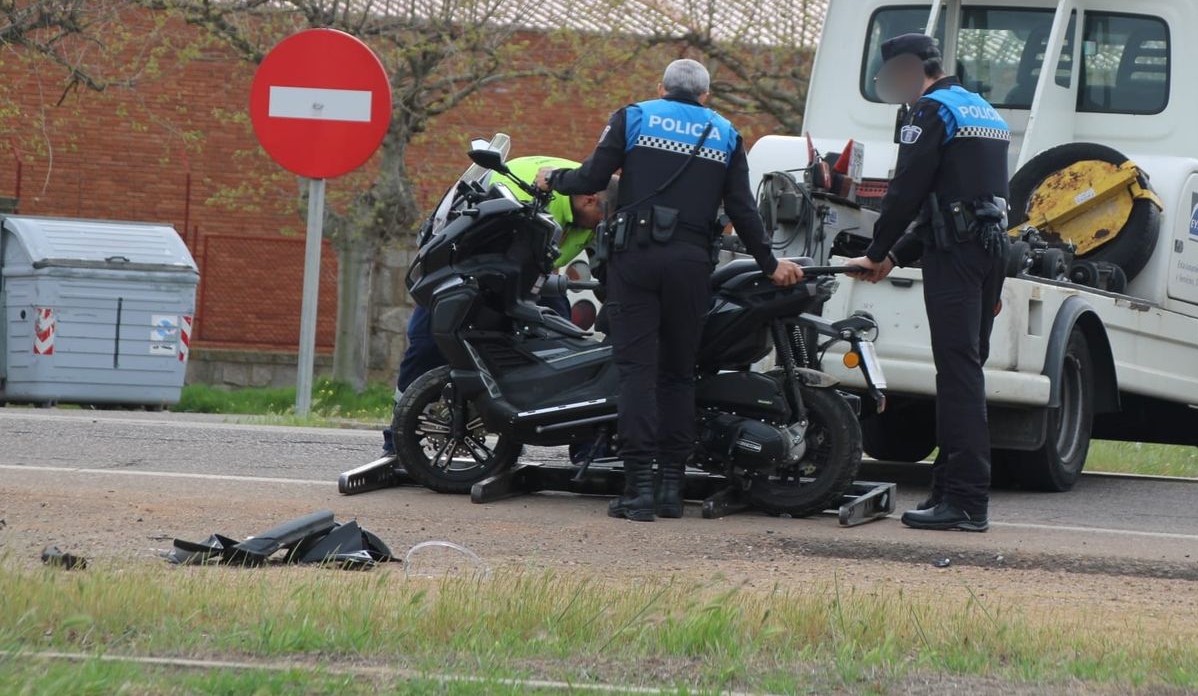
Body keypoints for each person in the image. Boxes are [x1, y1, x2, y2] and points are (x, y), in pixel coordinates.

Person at [537, 59, 804, 522]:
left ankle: (638, 488)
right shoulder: (725, 133)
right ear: (706, 95)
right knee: (680, 374)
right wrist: (769, 263)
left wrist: (552, 180)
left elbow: (592, 180)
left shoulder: (635, 116)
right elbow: (742, 208)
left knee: (638, 372)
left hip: (636, 260)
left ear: (661, 88)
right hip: (690, 264)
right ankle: (670, 489)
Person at [845, 33, 1011, 532]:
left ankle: (964, 502)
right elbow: (967, 200)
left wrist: (875, 250)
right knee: (965, 374)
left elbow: (908, 193)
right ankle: (948, 489)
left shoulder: (931, 111)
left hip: (957, 257)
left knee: (958, 378)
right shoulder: (983, 110)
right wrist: (897, 255)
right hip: (989, 252)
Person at [380, 156, 612, 457]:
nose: (602, 226)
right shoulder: (530, 189)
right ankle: (396, 444)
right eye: (602, 218)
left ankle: (587, 448)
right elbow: (484, 244)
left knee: (571, 352)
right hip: (470, 270)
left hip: (535, 278)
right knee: (427, 343)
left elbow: (606, 263)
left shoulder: (597, 208)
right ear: (589, 199)